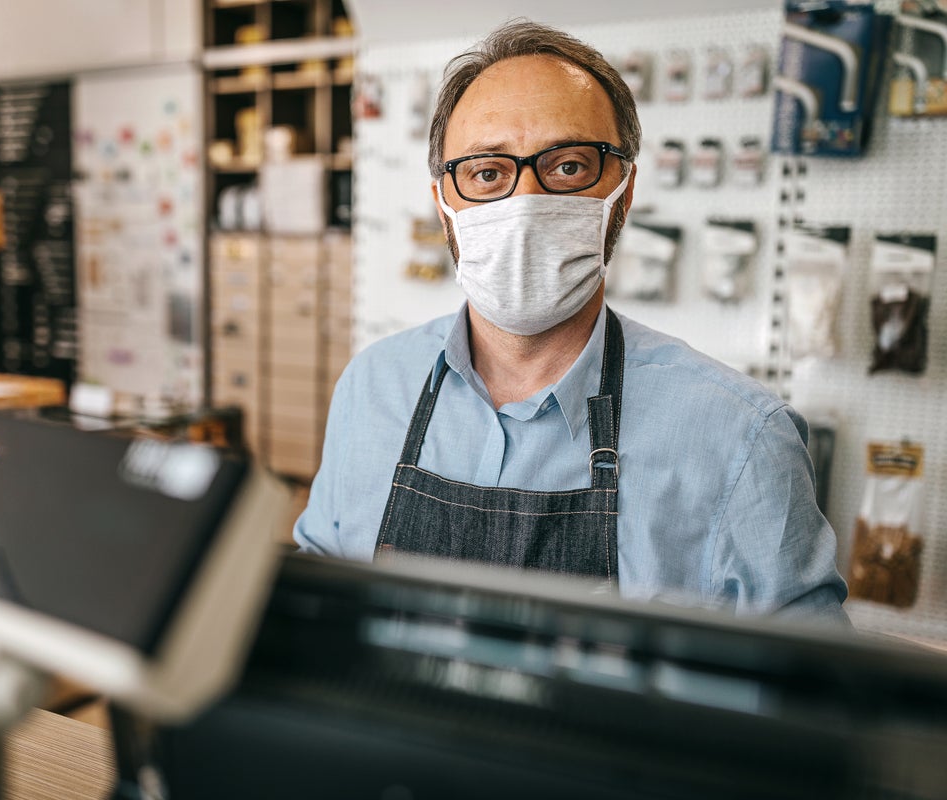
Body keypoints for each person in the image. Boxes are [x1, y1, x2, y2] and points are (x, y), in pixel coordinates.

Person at [294, 20, 848, 621]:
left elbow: (810, 693)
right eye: (487, 172)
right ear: (443, 204)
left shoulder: (741, 439)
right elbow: (315, 604)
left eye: (568, 167)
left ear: (624, 190)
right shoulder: (372, 388)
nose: (526, 203)